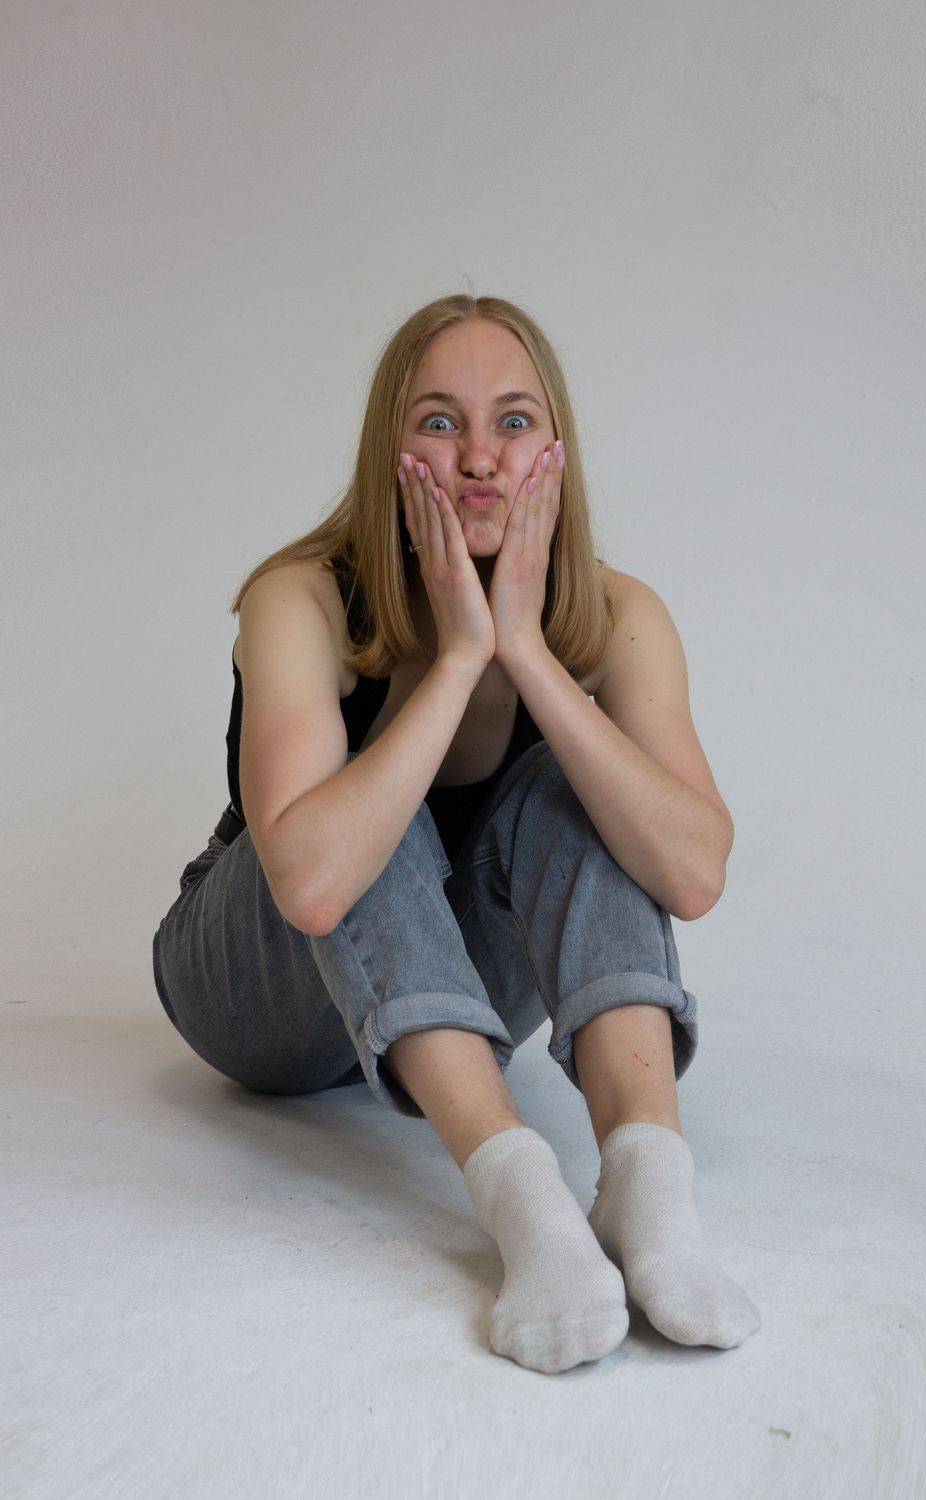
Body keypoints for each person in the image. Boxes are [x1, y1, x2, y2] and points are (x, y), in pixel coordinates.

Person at [151, 294, 761, 1374]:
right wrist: (457, 658)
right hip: (257, 994)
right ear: (391, 450)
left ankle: (646, 1186)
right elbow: (311, 886)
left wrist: (526, 652)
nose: (479, 457)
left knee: (584, 786)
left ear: (555, 451)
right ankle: (524, 1203)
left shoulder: (619, 613)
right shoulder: (301, 596)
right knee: (369, 812)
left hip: (459, 994)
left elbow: (693, 870)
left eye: (513, 422)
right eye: (439, 422)